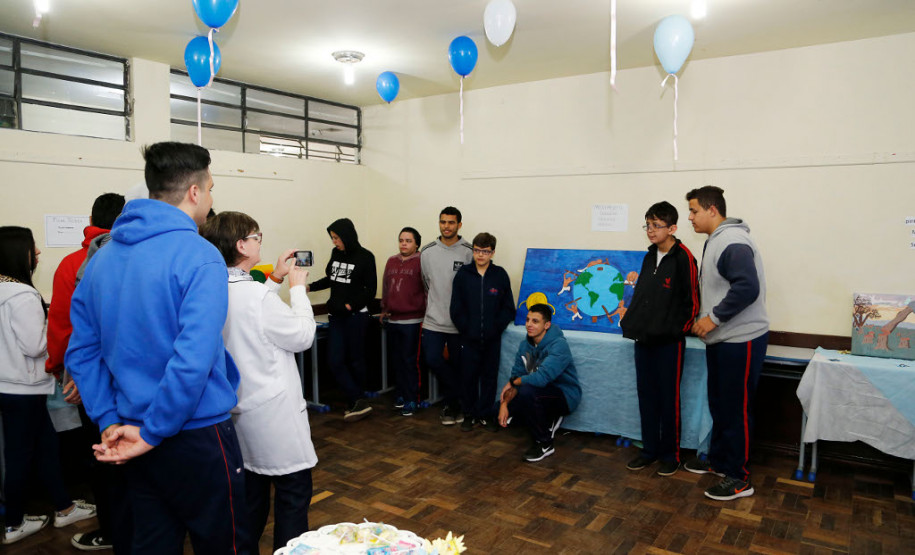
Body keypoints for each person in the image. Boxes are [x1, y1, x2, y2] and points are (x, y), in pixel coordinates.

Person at [66, 142, 250, 553]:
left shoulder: (101, 260)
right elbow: (193, 360)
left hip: (129, 432)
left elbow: (82, 352)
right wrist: (155, 431)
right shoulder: (200, 256)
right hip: (194, 435)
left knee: (152, 542)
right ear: (196, 192)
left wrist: (110, 419)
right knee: (224, 544)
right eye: (212, 188)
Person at [201, 211, 318, 552]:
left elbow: (249, 316)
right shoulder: (256, 296)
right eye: (256, 236)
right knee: (293, 495)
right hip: (274, 413)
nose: (260, 241)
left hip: (240, 408)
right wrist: (297, 290)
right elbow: (302, 335)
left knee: (251, 498)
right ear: (241, 244)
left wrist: (277, 279)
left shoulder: (215, 288)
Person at [0, 226, 96, 545]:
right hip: (23, 388)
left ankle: (64, 506)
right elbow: (36, 346)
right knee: (20, 455)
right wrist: (54, 327)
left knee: (45, 449)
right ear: (18, 254)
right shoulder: (23, 294)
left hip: (10, 386)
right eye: (33, 248)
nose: (37, 254)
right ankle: (13, 523)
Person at [45, 192, 126, 551]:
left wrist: (65, 370)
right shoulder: (131, 258)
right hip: (129, 382)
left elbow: (63, 326)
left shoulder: (72, 263)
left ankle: (113, 532)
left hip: (90, 383)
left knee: (103, 457)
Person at [683, 185, 769, 501]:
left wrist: (713, 318)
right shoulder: (717, 240)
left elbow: (747, 287)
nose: (690, 217)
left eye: (693, 210)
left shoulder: (732, 241)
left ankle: (739, 478)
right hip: (723, 339)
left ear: (712, 210)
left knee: (735, 408)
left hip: (741, 339)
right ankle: (720, 462)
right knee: (720, 404)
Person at [620, 201, 700, 477]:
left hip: (669, 343)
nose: (650, 231)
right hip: (643, 339)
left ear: (673, 228)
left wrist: (677, 331)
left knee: (668, 399)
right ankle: (649, 451)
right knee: (647, 397)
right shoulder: (648, 256)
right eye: (648, 225)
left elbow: (692, 304)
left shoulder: (684, 258)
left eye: (656, 226)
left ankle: (671, 455)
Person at [308, 218, 377, 422]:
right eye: (332, 238)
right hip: (336, 316)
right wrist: (310, 287)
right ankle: (357, 399)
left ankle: (357, 400)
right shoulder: (336, 254)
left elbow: (370, 290)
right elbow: (332, 278)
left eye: (337, 238)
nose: (334, 242)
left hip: (356, 316)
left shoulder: (366, 257)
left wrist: (350, 306)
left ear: (347, 236)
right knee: (335, 360)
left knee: (355, 359)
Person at [498, 304, 581, 462]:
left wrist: (513, 382)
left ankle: (545, 443)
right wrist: (504, 404)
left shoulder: (558, 345)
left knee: (526, 391)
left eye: (535, 321)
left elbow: (540, 378)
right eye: (528, 320)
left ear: (546, 325)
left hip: (563, 395)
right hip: (537, 392)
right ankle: (547, 419)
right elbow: (517, 374)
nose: (529, 324)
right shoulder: (525, 345)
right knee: (496, 410)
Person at [450, 232, 516, 432]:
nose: (480, 255)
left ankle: (485, 413)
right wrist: (466, 328)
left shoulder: (500, 275)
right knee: (468, 377)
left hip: (492, 339)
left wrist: (496, 328)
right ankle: (469, 413)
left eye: (485, 251)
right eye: (477, 250)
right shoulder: (463, 275)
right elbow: (456, 308)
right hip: (468, 339)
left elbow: (508, 308)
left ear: (492, 252)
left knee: (489, 377)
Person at [421, 206, 473, 425]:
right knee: (432, 358)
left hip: (459, 323)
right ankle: (458, 399)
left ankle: (452, 404)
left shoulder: (469, 251)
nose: (446, 226)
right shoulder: (427, 252)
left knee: (459, 364)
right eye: (443, 222)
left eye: (451, 222)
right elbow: (426, 283)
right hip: (433, 320)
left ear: (459, 225)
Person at [380, 227, 426, 416]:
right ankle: (400, 394)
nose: (403, 244)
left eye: (408, 240)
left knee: (410, 361)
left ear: (416, 244)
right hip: (393, 319)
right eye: (401, 240)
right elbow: (385, 286)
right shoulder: (391, 261)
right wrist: (384, 309)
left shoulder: (422, 261)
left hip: (413, 321)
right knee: (397, 360)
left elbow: (428, 288)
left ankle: (412, 398)